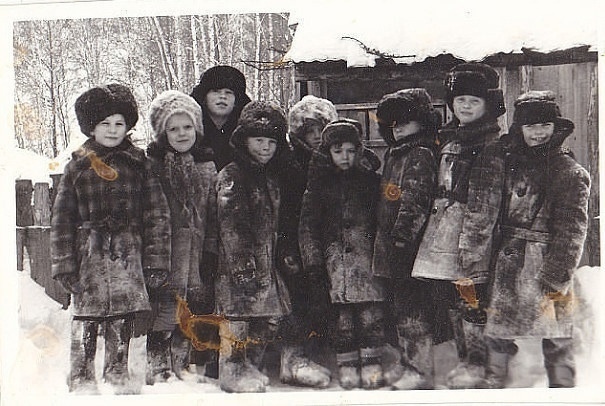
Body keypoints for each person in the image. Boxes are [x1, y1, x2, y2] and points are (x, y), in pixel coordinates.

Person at [460, 91, 590, 388]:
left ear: (556, 128)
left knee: (557, 335)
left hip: (548, 263)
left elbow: (572, 230)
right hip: (508, 262)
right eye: (530, 126)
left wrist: (557, 274)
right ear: (518, 129)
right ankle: (496, 385)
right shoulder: (507, 164)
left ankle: (563, 389)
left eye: (545, 125)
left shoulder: (569, 172)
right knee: (498, 331)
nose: (538, 133)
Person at [51, 83, 171, 394]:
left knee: (122, 316)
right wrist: (64, 264)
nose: (113, 130)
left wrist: (156, 260)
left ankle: (117, 372)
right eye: (105, 123)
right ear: (91, 126)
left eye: (119, 123)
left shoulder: (139, 164)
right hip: (88, 254)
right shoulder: (77, 167)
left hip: (129, 252)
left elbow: (157, 215)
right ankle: (81, 375)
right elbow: (62, 218)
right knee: (86, 317)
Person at [411, 63, 507, 389]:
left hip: (470, 237)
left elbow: (485, 203)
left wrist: (472, 248)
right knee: (453, 301)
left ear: (488, 106)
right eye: (460, 99)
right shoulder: (452, 140)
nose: (465, 106)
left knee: (472, 301)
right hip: (443, 235)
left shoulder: (489, 145)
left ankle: (478, 364)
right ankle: (465, 360)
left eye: (474, 101)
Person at [299, 119, 385, 390]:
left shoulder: (371, 183)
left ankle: (372, 362)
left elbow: (383, 220)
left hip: (367, 261)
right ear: (328, 153)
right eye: (338, 151)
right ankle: (347, 363)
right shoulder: (318, 186)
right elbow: (307, 226)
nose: (345, 157)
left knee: (371, 317)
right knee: (342, 320)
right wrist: (313, 262)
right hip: (334, 263)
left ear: (359, 150)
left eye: (350, 150)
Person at [214, 101, 292, 393]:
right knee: (237, 320)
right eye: (259, 140)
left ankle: (250, 367)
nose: (266, 147)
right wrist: (242, 266)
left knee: (266, 318)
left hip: (265, 266)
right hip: (239, 268)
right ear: (244, 140)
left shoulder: (270, 178)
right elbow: (231, 225)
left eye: (272, 141)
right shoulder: (232, 175)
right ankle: (232, 371)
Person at [145, 90, 218, 384]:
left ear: (197, 128)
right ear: (163, 133)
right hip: (166, 252)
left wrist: (211, 250)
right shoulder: (154, 166)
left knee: (192, 308)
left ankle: (182, 360)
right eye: (173, 129)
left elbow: (213, 213)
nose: (181, 134)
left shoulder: (207, 166)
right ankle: (158, 364)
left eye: (187, 127)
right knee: (165, 309)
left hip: (198, 253)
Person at [371, 89, 440, 389]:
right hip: (390, 248)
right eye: (392, 122)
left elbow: (415, 201)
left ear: (421, 123)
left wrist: (402, 239)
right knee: (398, 310)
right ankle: (406, 362)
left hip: (407, 249)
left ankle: (419, 370)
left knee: (413, 312)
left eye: (405, 121)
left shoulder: (419, 154)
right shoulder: (395, 154)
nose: (397, 127)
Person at [275, 95, 338, 388]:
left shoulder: (338, 160)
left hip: (331, 243)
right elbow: (284, 210)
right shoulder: (289, 164)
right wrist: (288, 247)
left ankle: (329, 356)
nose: (315, 136)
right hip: (296, 243)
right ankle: (293, 358)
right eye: (309, 130)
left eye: (321, 129)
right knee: (298, 300)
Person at [190, 65, 252, 171]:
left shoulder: (247, 132)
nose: (223, 96)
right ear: (204, 97)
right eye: (216, 91)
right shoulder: (188, 128)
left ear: (237, 100)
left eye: (229, 92)